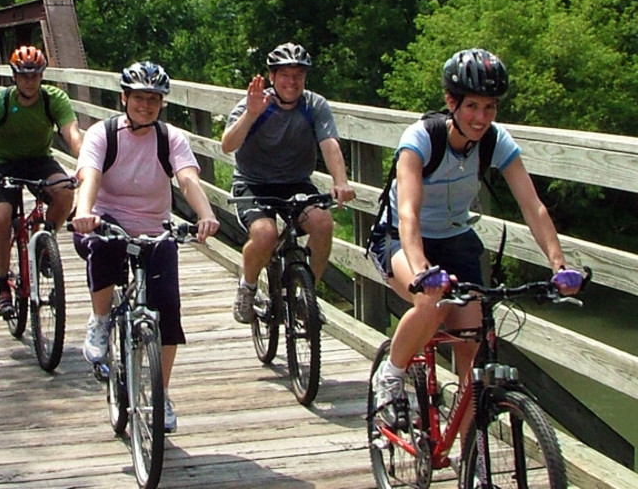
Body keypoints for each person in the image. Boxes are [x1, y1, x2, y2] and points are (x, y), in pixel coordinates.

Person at [368, 48, 584, 433]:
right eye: (472, 106)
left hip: (455, 240)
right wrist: (421, 270)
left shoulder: (494, 141)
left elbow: (533, 207)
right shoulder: (420, 138)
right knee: (431, 303)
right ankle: (391, 373)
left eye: (490, 107)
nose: (481, 118)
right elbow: (408, 215)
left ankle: (469, 454)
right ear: (451, 102)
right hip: (400, 239)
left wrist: (558, 265)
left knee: (474, 343)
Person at [70, 61, 220, 433]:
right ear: (124, 98)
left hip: (154, 229)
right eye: (138, 98)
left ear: (162, 103)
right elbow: (89, 176)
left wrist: (205, 214)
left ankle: (161, 393)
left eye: (153, 99)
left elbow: (187, 179)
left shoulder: (170, 139)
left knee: (167, 309)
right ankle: (102, 321)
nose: (146, 105)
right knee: (103, 249)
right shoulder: (103, 135)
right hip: (104, 221)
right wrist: (85, 211)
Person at [221, 42, 356, 324]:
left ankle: (305, 294)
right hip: (253, 183)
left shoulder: (314, 105)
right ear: (272, 77)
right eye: (285, 75)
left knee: (323, 223)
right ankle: (247, 286)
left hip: (296, 182)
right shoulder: (255, 103)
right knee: (265, 235)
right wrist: (251, 114)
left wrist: (340, 181)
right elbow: (227, 145)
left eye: (298, 75)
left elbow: (329, 144)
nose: (292, 82)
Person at [0, 45, 83, 319]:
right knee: (1, 217)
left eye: (35, 75)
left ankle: (43, 242)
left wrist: (86, 164)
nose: (29, 81)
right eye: (23, 75)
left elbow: (72, 134)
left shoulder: (53, 99)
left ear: (42, 75)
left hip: (38, 160)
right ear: (13, 76)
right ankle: (3, 289)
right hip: (3, 164)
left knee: (64, 192)